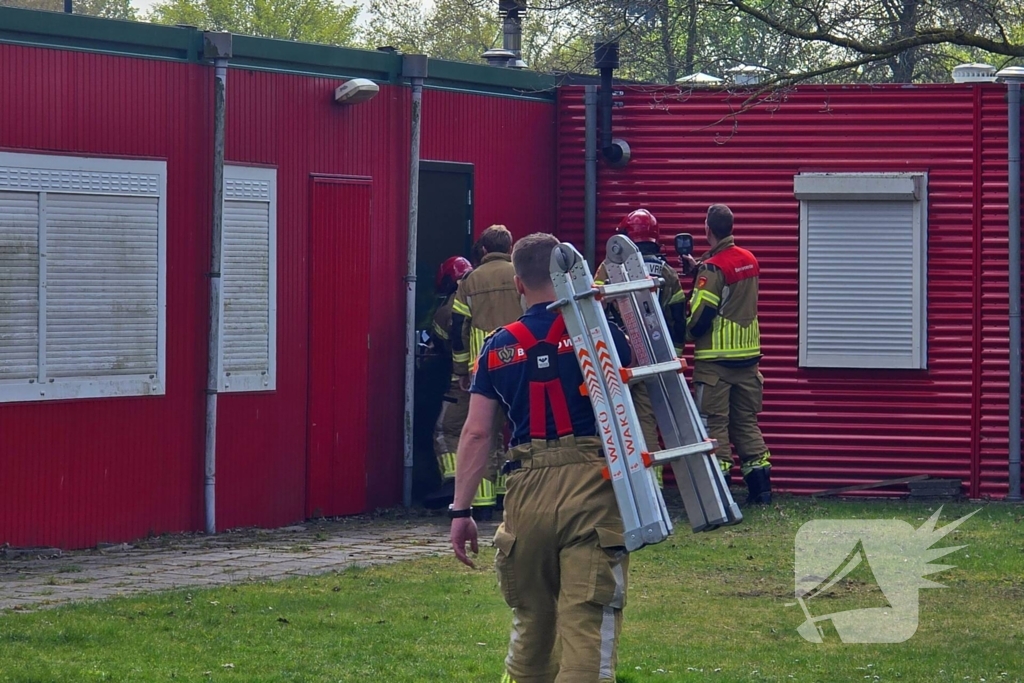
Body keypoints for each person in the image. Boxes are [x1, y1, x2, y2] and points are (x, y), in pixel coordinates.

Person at [450, 232, 633, 683]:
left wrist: (461, 511)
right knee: (587, 621)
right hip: (594, 484)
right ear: (564, 274)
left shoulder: (495, 348)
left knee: (532, 621)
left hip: (526, 490)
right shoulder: (598, 334)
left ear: (518, 283)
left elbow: (475, 433)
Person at [681, 204, 772, 504]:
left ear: (708, 229)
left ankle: (719, 494)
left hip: (715, 363)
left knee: (714, 424)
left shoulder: (713, 269)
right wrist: (700, 269)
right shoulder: (749, 260)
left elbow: (702, 315)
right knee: (745, 422)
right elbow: (731, 293)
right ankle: (761, 490)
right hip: (748, 359)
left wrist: (682, 334)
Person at [594, 209, 688, 488]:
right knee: (647, 417)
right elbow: (678, 316)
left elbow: (594, 307)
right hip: (654, 357)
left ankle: (616, 483)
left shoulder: (607, 268)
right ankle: (653, 483)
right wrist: (676, 353)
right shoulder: (667, 272)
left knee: (611, 418)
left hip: (616, 354)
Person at [450, 224, 524, 519]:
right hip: (523, 365)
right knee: (520, 432)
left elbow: (458, 328)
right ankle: (512, 493)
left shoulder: (470, 281)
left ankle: (480, 503)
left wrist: (461, 369)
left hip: (485, 368)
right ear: (510, 248)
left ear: (483, 249)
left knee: (483, 434)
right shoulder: (521, 274)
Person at [430, 256, 474, 483]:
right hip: (491, 376)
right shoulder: (482, 299)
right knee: (490, 434)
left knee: (445, 431)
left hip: (461, 381)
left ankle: (453, 481)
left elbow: (441, 342)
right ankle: (494, 494)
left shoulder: (447, 310)